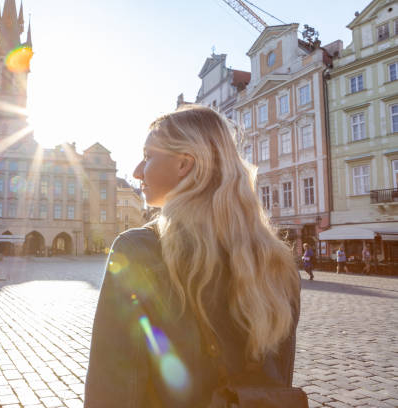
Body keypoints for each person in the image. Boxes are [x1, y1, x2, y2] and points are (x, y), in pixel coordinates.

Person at [85, 105, 301, 407]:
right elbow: (277, 384)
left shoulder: (139, 251)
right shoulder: (276, 260)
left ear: (184, 164)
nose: (136, 171)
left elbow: (111, 390)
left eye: (148, 157)